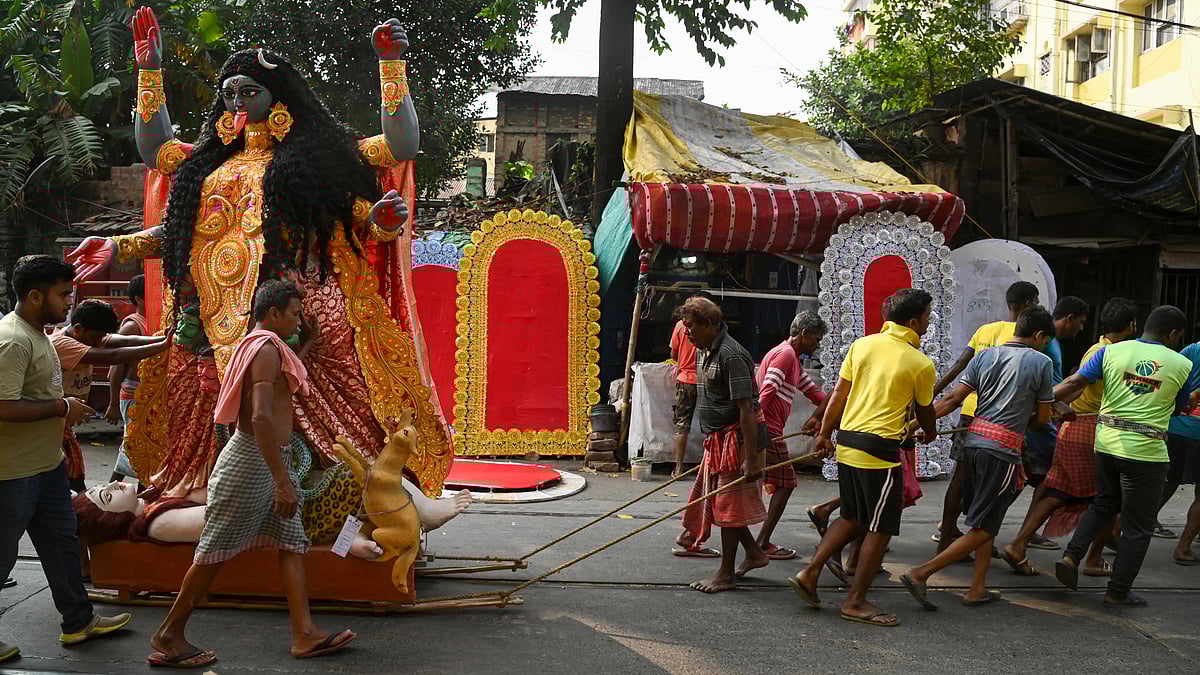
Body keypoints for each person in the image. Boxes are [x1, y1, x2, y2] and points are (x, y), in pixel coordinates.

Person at [67, 10, 456, 514]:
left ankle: (340, 495)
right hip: (211, 316)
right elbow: (160, 163)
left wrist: (391, 65)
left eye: (248, 91)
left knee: (312, 406)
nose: (236, 102)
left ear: (278, 97)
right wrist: (120, 245)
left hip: (299, 312)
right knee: (204, 406)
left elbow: (401, 148)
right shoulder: (210, 165)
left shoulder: (316, 161)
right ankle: (219, 495)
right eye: (229, 93)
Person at [149, 281, 354, 667]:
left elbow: (280, 382)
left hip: (270, 458)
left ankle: (305, 634)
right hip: (252, 463)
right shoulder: (263, 349)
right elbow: (260, 415)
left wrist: (305, 344)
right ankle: (168, 633)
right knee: (213, 552)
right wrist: (280, 480)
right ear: (273, 313)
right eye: (293, 313)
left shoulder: (262, 346)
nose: (298, 319)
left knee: (292, 544)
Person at [0, 255, 132, 664]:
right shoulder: (12, 339)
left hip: (46, 467)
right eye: (62, 294)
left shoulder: (39, 334)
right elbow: (3, 405)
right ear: (35, 296)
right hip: (12, 473)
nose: (68, 302)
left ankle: (78, 621)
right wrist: (62, 407)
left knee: (61, 545)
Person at [787, 289, 938, 627]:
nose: (928, 323)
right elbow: (926, 412)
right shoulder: (920, 363)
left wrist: (825, 433)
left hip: (848, 443)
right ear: (913, 322)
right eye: (927, 317)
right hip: (880, 452)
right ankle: (855, 601)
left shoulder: (863, 345)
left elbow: (839, 394)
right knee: (881, 526)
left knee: (853, 515)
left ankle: (810, 573)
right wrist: (928, 432)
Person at [901, 307, 1055, 610]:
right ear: (1038, 335)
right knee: (984, 525)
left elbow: (953, 399)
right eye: (1045, 339)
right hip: (1003, 450)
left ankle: (977, 588)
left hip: (972, 443)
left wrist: (914, 426)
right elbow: (1043, 417)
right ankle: (922, 573)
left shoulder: (986, 356)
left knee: (987, 520)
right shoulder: (1042, 362)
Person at [1052, 305, 1199, 606]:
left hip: (1106, 444)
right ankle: (1117, 591)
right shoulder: (1180, 364)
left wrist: (1041, 400)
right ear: (1173, 334)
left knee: (1104, 502)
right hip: (1146, 452)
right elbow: (1178, 405)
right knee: (1138, 526)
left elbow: (1073, 383)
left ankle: (1071, 555)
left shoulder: (1111, 352)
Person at [1002, 297, 1137, 577]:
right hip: (1090, 428)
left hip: (1075, 427)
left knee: (1060, 492)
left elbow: (1076, 386)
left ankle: (1020, 544)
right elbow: (1073, 385)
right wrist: (1047, 405)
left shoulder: (1100, 349)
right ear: (1132, 326)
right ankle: (1091, 559)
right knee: (1107, 499)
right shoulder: (1111, 354)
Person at [932, 280, 1040, 553]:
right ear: (1028, 304)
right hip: (1002, 419)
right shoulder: (1029, 340)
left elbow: (960, 365)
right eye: (1036, 302)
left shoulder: (985, 330)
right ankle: (979, 534)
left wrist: (932, 393)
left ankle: (947, 534)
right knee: (1007, 480)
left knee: (960, 477)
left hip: (970, 414)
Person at [671, 297, 770, 592]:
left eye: (691, 327)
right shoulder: (704, 350)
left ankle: (726, 573)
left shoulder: (731, 354)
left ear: (710, 325)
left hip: (737, 439)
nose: (686, 332)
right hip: (718, 439)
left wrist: (751, 458)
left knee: (728, 508)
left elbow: (747, 410)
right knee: (718, 502)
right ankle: (754, 553)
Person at [49, 299, 170, 492]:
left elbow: (127, 341)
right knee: (68, 486)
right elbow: (113, 356)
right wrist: (163, 345)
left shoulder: (86, 335)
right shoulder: (62, 343)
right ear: (78, 329)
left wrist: (163, 338)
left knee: (72, 484)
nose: (100, 342)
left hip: (64, 428)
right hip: (51, 429)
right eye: (96, 338)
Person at [1012, 296, 1090, 550]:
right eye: (1080, 322)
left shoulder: (1052, 343)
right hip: (1040, 421)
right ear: (1068, 319)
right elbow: (1034, 380)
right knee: (1043, 479)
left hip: (1046, 418)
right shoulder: (1045, 343)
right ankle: (1024, 532)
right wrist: (1056, 405)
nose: (1081, 328)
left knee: (1038, 478)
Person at [754, 311, 828, 560]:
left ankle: (757, 541)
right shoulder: (786, 355)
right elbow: (767, 391)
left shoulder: (792, 358)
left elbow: (815, 394)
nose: (817, 344)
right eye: (816, 339)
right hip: (769, 429)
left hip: (769, 428)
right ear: (804, 334)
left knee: (766, 482)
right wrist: (754, 426)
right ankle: (762, 542)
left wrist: (843, 404)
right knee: (785, 483)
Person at [104, 275, 150, 483]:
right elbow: (116, 368)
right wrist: (113, 404)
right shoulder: (132, 326)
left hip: (148, 392)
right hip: (134, 392)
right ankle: (110, 489)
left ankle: (140, 494)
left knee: (146, 444)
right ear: (140, 299)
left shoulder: (153, 320)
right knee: (133, 442)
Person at [1159, 335, 1200, 565]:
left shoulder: (1191, 350)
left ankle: (1122, 528)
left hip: (1176, 426)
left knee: (1167, 479)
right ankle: (1183, 548)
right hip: (1197, 432)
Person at [669, 293, 711, 479]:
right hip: (706, 381)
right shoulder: (709, 327)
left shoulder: (680, 326)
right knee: (710, 425)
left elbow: (674, 354)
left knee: (681, 425)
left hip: (686, 380)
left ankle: (678, 468)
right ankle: (709, 468)